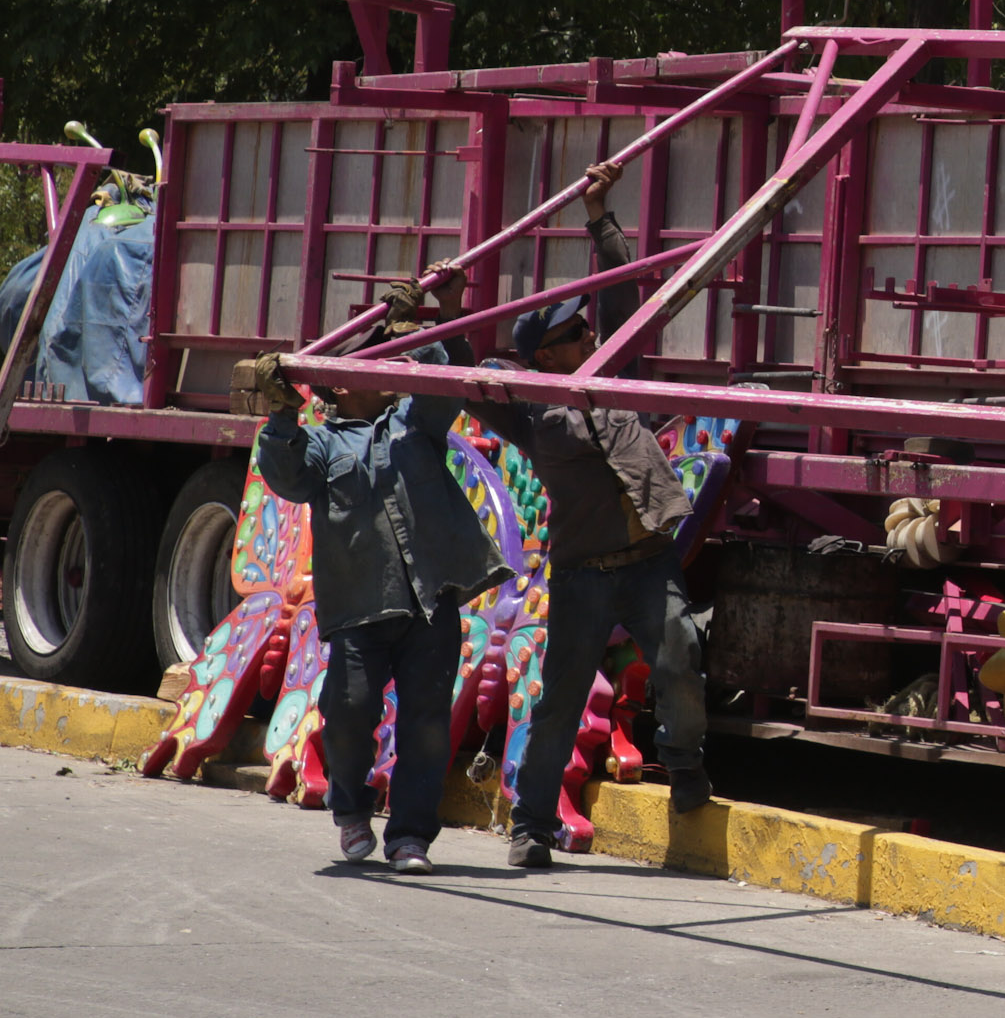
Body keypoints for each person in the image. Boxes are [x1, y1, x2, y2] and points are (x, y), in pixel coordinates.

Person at [463, 160, 711, 870]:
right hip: (580, 573)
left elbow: (621, 295)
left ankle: (685, 765)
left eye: (584, 330)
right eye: (572, 337)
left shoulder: (611, 371)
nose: (586, 339)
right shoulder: (532, 414)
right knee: (560, 699)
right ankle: (531, 826)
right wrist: (439, 312)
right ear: (544, 355)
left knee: (681, 655)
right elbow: (454, 370)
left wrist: (601, 213)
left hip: (645, 562)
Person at [252, 266, 508, 873]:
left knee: (425, 726)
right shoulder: (318, 445)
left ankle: (410, 838)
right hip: (359, 612)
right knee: (348, 712)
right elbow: (282, 473)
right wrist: (282, 415)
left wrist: (430, 321)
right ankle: (349, 811)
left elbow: (446, 383)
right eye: (373, 366)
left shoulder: (413, 426)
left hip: (427, 605)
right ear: (338, 388)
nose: (386, 374)